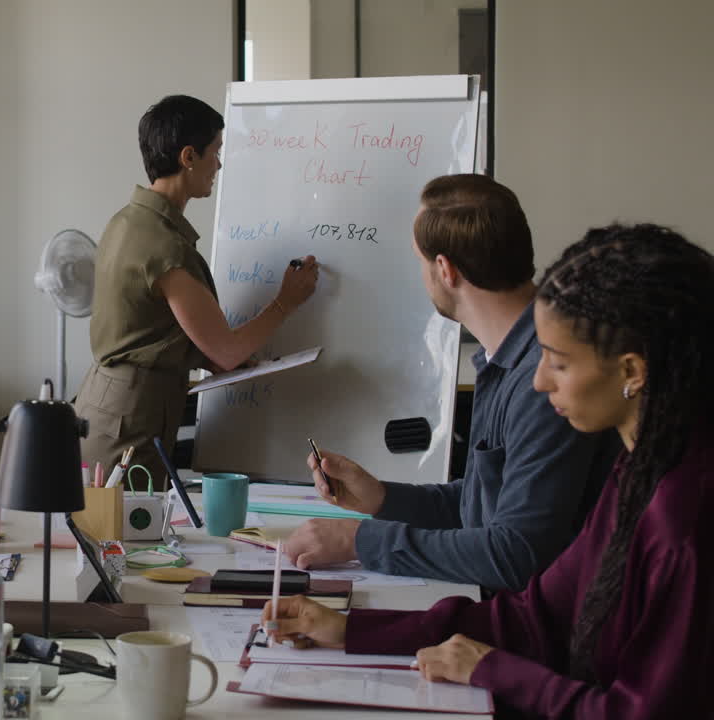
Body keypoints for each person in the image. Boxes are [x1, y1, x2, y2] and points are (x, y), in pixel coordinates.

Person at [263, 223, 714, 718]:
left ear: (631, 371)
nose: (540, 382)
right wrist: (351, 630)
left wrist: (492, 670)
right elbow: (530, 617)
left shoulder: (682, 522)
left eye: (559, 363)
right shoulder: (636, 471)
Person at [284, 174, 619, 592]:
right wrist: (383, 499)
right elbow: (482, 506)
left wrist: (360, 540)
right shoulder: (506, 357)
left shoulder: (545, 380)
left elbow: (515, 553)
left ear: (445, 269)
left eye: (420, 261)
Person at [74, 94, 319, 484]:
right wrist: (285, 302)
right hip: (130, 421)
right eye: (215, 152)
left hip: (107, 406)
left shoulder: (126, 221)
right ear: (188, 157)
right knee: (125, 534)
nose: (218, 164)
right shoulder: (165, 248)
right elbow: (226, 351)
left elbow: (147, 325)